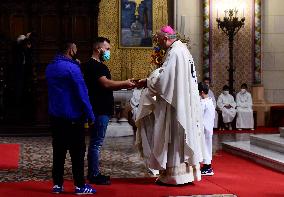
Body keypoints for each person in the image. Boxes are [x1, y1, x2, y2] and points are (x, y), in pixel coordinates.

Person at [135, 26, 205, 185]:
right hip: (180, 101)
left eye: (159, 40)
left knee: (174, 137)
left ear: (166, 38)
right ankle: (184, 174)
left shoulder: (175, 52)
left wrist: (148, 80)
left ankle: (174, 176)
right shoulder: (183, 50)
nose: (158, 44)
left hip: (175, 106)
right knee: (178, 137)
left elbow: (163, 81)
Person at [45, 41, 96, 195]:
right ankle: (80, 186)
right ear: (71, 50)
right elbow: (82, 94)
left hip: (55, 115)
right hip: (73, 116)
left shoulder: (50, 67)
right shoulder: (72, 68)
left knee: (58, 152)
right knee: (77, 153)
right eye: (76, 49)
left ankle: (57, 185)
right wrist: (90, 115)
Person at [84, 37, 135, 185]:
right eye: (107, 49)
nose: (108, 52)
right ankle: (94, 174)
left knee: (95, 142)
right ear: (98, 49)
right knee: (96, 143)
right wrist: (125, 83)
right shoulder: (95, 66)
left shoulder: (91, 65)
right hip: (100, 109)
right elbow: (105, 84)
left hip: (96, 108)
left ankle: (93, 172)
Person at [198, 82, 215, 176]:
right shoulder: (210, 101)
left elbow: (198, 115)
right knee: (207, 147)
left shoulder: (203, 102)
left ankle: (207, 168)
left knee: (205, 147)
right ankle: (206, 167)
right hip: (208, 127)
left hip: (204, 128)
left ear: (201, 92)